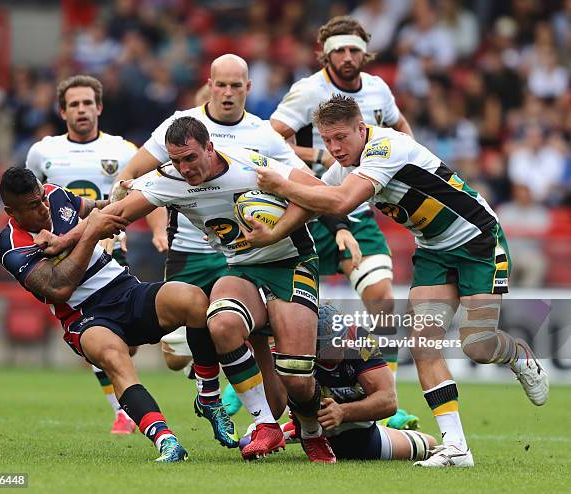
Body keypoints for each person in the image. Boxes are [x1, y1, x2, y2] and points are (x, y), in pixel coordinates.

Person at [252, 94, 550, 467]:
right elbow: (313, 203)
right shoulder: (346, 165)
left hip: (477, 239)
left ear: (362, 128)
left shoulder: (385, 147)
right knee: (423, 341)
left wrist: (281, 185)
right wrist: (271, 232)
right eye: (327, 141)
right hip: (433, 249)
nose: (334, 148)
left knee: (478, 345)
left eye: (341, 138)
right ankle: (456, 447)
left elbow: (340, 202)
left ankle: (518, 354)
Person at [35, 116, 337, 463]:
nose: (185, 168)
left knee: (295, 381)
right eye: (176, 160)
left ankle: (312, 432)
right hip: (240, 269)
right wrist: (66, 239)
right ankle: (265, 425)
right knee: (220, 321)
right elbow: (113, 214)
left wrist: (277, 229)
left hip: (291, 263)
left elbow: (319, 194)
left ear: (210, 148)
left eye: (191, 158)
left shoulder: (248, 165)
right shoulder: (170, 179)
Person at [114, 54, 335, 417]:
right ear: (210, 84)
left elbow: (308, 189)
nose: (229, 92)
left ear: (248, 88)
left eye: (237, 86)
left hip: (250, 250)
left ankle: (261, 403)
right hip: (189, 248)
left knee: (231, 326)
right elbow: (137, 176)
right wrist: (154, 227)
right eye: (222, 84)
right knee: (176, 354)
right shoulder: (181, 125)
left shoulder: (263, 134)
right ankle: (244, 375)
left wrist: (330, 227)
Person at [0, 167, 212, 462]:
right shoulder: (11, 245)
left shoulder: (55, 194)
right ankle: (166, 440)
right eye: (33, 206)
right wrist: (91, 232)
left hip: (123, 288)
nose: (44, 207)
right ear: (12, 211)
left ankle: (209, 395)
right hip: (84, 316)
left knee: (193, 298)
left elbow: (96, 209)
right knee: (113, 356)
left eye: (42, 199)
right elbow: (58, 287)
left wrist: (118, 200)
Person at [270, 17, 417, 428]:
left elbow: (402, 129)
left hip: (356, 205)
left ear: (364, 52)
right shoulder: (308, 90)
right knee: (294, 311)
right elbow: (272, 137)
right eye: (339, 51)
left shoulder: (378, 89)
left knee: (383, 301)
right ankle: (263, 397)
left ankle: (387, 395)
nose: (347, 57)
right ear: (326, 53)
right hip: (313, 206)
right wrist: (318, 159)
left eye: (354, 50)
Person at [26, 75, 139, 434]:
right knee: (98, 333)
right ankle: (122, 410)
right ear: (62, 111)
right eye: (73, 104)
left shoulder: (124, 150)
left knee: (127, 341)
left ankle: (125, 398)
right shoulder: (43, 152)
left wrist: (154, 232)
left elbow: (143, 195)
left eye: (87, 103)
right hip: (65, 258)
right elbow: (25, 204)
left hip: (111, 249)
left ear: (99, 107)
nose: (82, 110)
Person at [279, 304, 436, 461]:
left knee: (431, 444)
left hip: (362, 436)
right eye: (334, 342)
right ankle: (300, 429)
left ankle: (389, 425)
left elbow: (389, 400)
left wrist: (343, 412)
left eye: (342, 336)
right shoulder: (298, 352)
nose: (343, 343)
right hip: (314, 424)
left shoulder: (360, 339)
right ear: (315, 347)